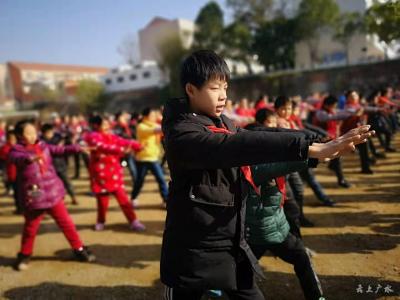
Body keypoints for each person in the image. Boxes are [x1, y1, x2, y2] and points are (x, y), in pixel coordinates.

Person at [160, 49, 373, 299]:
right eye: (215, 88)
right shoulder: (182, 134)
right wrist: (309, 149)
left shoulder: (222, 123)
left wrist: (318, 142)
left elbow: (257, 135)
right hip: (192, 251)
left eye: (225, 88)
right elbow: (239, 146)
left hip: (231, 242)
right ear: (191, 89)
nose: (223, 96)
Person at [9, 119, 95, 271]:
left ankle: (79, 249)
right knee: (30, 228)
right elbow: (16, 159)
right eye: (28, 133)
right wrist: (29, 159)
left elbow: (59, 150)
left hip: (53, 194)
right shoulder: (16, 150)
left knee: (67, 223)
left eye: (34, 132)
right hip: (34, 197)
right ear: (19, 136)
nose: (33, 135)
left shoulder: (43, 145)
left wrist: (77, 148)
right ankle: (24, 255)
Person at [85, 115, 145, 231]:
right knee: (102, 203)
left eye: (108, 124)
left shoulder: (111, 136)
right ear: (96, 126)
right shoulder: (92, 137)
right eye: (105, 124)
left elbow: (123, 141)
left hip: (114, 174)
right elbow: (102, 147)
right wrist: (121, 150)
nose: (108, 126)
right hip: (100, 175)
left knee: (124, 200)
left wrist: (137, 146)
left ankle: (133, 221)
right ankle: (101, 220)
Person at [130, 108, 168, 208]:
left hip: (153, 158)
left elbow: (163, 130)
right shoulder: (141, 126)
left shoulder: (154, 124)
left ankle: (166, 200)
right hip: (143, 158)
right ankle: (133, 198)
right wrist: (167, 120)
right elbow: (159, 130)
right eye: (152, 115)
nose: (154, 117)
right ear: (146, 116)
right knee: (139, 181)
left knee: (161, 180)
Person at [41, 123, 78, 205]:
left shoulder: (58, 138)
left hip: (61, 164)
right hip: (50, 167)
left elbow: (67, 145)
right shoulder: (41, 142)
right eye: (48, 133)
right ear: (43, 133)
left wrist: (68, 141)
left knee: (67, 182)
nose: (50, 134)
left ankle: (73, 197)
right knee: (55, 185)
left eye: (51, 132)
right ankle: (60, 200)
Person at [0, 130, 20, 212]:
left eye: (14, 138)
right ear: (8, 139)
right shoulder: (5, 148)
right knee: (17, 193)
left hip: (23, 174)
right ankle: (19, 208)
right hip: (12, 174)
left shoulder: (20, 146)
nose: (13, 140)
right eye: (11, 138)